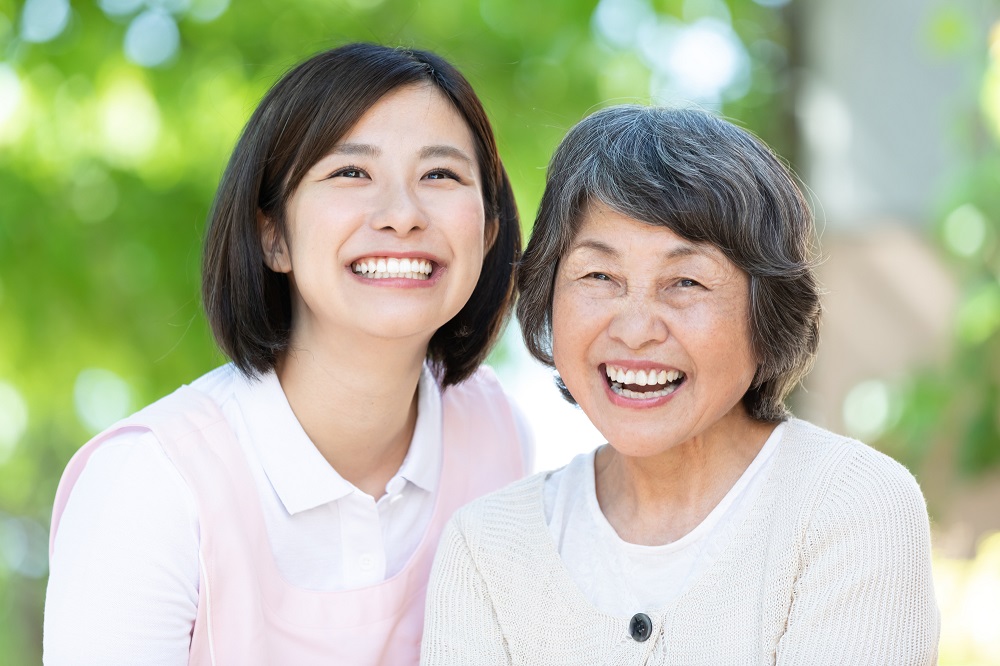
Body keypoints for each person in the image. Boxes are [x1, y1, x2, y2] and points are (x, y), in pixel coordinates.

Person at [44, 43, 530, 666]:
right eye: (350, 173)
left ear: (488, 231)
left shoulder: (497, 437)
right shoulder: (150, 483)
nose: (403, 215)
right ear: (272, 235)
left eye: (441, 175)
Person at [421, 106, 939, 664]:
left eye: (686, 281)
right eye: (599, 276)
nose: (637, 328)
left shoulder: (850, 507)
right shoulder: (489, 544)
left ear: (768, 311)